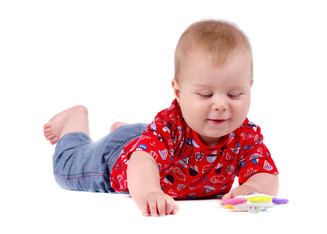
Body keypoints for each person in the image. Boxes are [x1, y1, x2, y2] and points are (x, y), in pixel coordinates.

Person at [44, 20, 279, 217]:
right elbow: (143, 161)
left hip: (147, 138)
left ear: (249, 88)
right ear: (178, 92)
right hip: (117, 160)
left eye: (234, 94)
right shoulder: (170, 126)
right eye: (206, 94)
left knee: (148, 142)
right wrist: (149, 192)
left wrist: (254, 187)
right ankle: (74, 123)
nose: (220, 105)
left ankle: (125, 132)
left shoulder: (245, 136)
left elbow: (267, 172)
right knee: (66, 170)